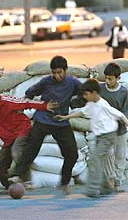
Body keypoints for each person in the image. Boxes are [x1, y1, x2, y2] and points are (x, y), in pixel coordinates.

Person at [55, 78, 128, 198]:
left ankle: (93, 189)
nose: (84, 97)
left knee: (94, 159)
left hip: (108, 136)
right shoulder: (91, 104)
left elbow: (121, 115)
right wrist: (66, 117)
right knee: (97, 160)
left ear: (94, 93)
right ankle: (106, 188)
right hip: (99, 137)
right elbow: (80, 112)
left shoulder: (103, 105)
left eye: (86, 94)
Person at [9, 56, 82, 195]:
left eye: (60, 72)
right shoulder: (46, 82)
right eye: (54, 72)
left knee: (72, 154)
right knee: (31, 147)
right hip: (42, 119)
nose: (57, 76)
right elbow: (30, 92)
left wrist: (74, 103)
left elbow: (84, 93)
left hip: (61, 121)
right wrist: (24, 104)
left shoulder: (72, 82)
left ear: (66, 71)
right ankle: (17, 175)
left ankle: (65, 183)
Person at [100, 62, 128, 192]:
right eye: (105, 78)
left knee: (120, 155)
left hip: (120, 130)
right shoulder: (100, 89)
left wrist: (121, 119)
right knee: (108, 155)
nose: (107, 81)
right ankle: (110, 181)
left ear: (118, 78)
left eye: (110, 79)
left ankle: (118, 182)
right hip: (106, 130)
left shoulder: (123, 92)